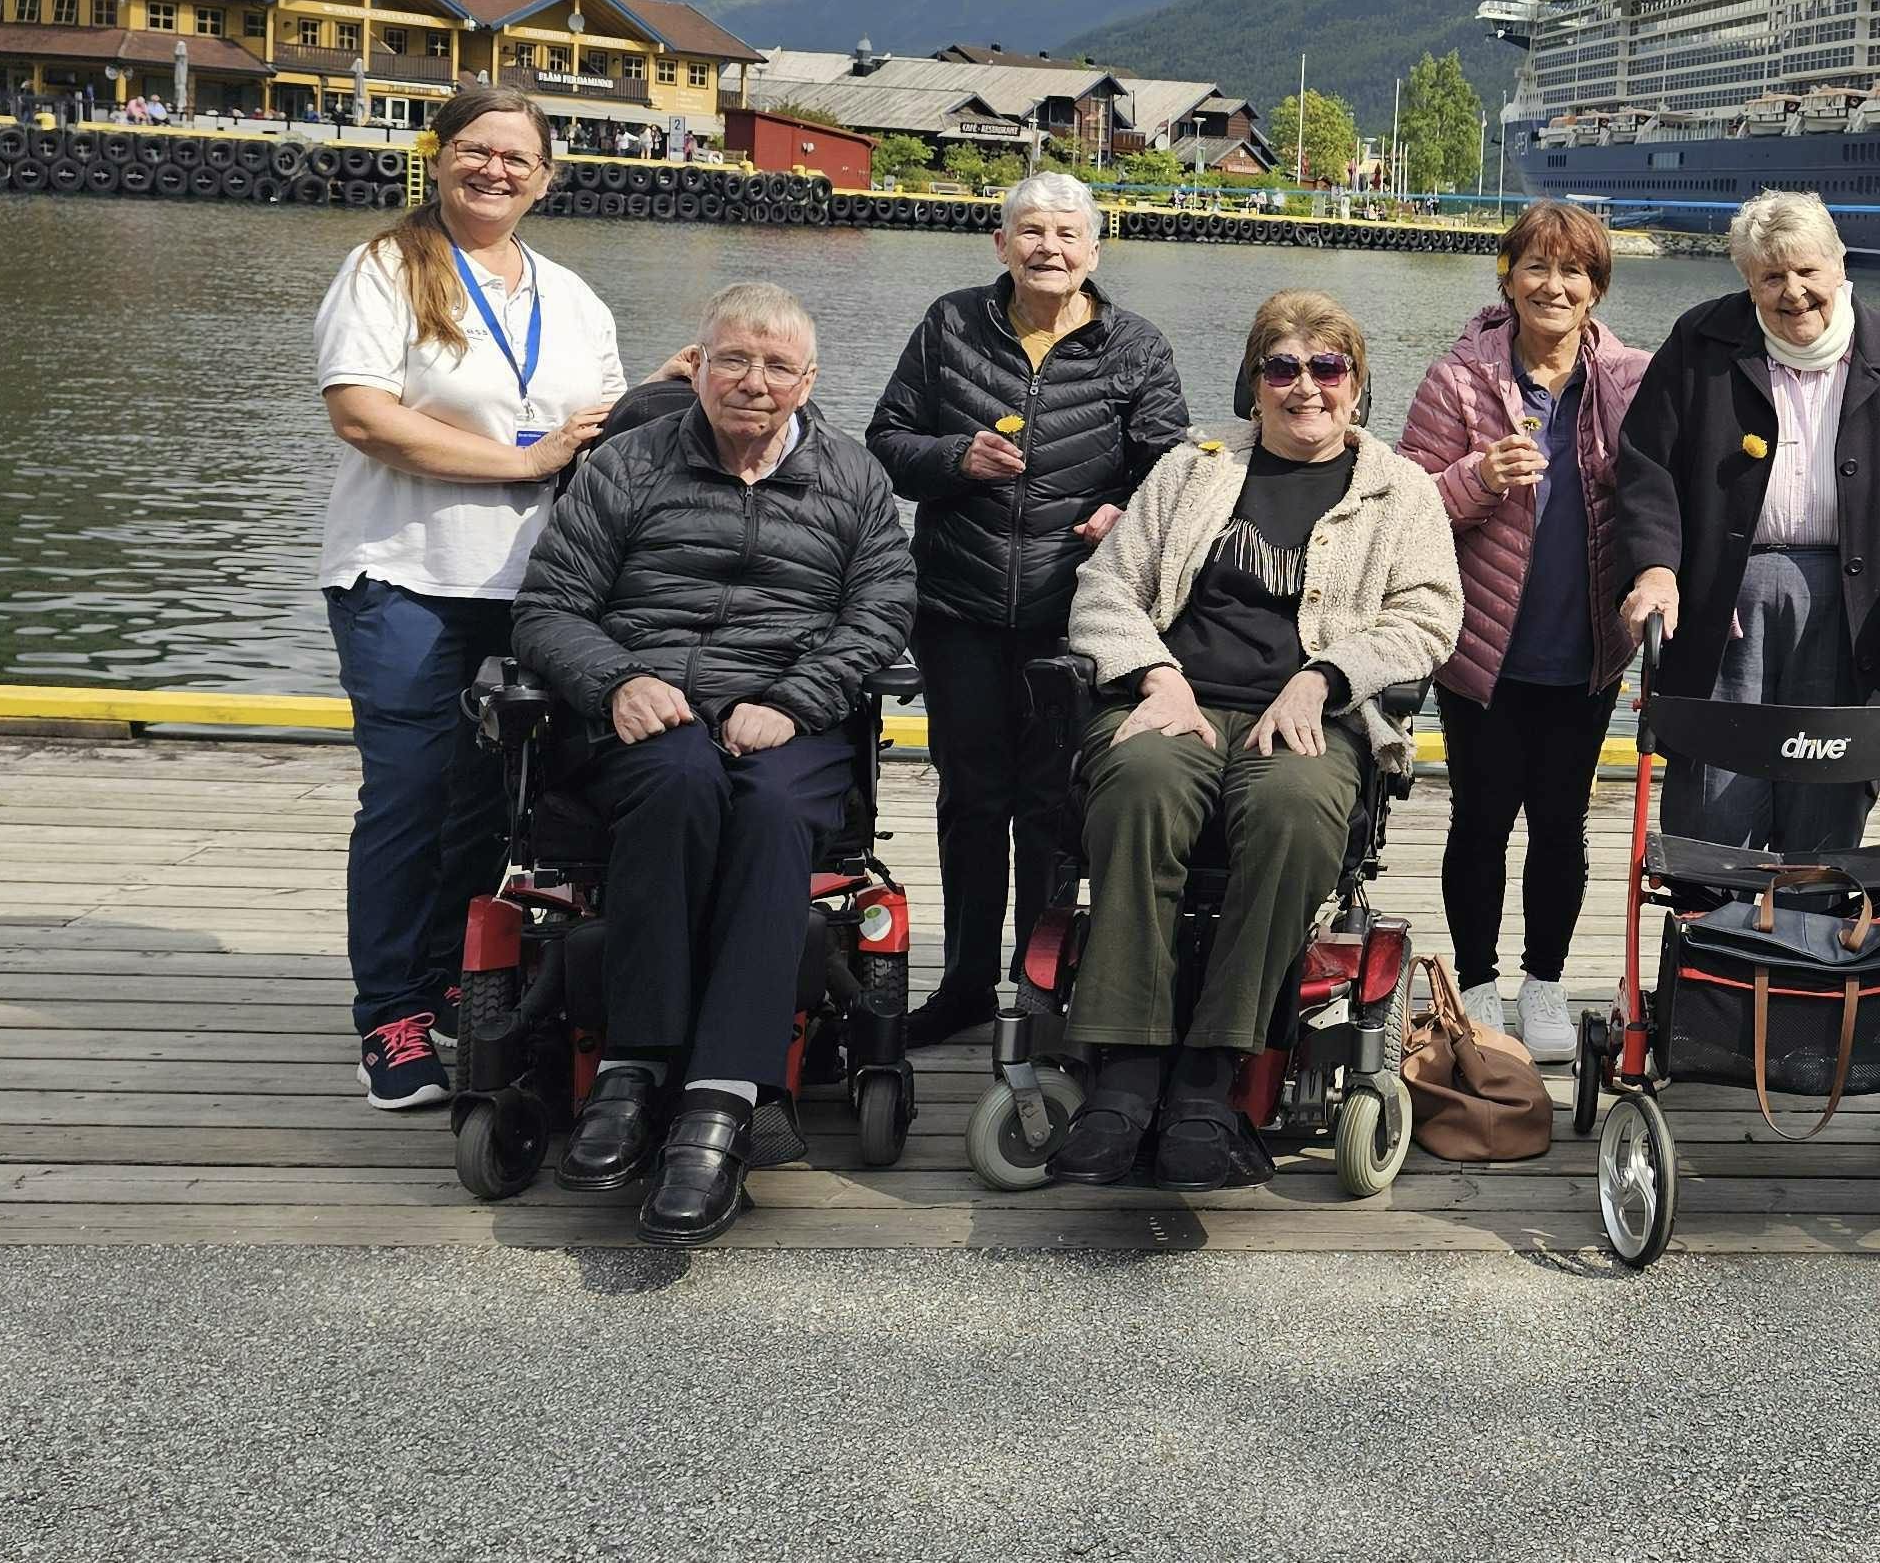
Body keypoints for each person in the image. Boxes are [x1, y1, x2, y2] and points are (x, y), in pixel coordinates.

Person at [512, 284, 916, 1247]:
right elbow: (545, 610)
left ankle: (725, 1097)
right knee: (682, 778)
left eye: (779, 367)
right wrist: (615, 681)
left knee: (775, 809)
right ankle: (636, 1064)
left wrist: (795, 702)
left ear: (809, 382)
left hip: (790, 720)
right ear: (697, 364)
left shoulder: (853, 482)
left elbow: (882, 616)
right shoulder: (626, 466)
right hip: (645, 715)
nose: (754, 382)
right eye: (734, 359)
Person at [1059, 291, 1459, 1188]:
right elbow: (1106, 589)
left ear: (1357, 386)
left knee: (1292, 811)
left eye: (1327, 369)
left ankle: (1211, 1079)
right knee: (1140, 784)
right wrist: (1154, 678)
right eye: (1282, 368)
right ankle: (1122, 1079)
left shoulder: (1403, 491)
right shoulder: (1190, 469)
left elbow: (1430, 619)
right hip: (1180, 701)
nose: (1305, 387)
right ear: (1253, 383)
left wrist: (1324, 677)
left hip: (1310, 717)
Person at [314, 85, 625, 1110]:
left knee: (495, 806)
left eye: (516, 158)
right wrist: (519, 459)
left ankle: (455, 976)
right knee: (406, 795)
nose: (494, 169)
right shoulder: (387, 267)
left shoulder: (573, 296)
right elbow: (363, 415)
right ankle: (390, 1013)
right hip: (404, 573)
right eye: (475, 150)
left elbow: (603, 430)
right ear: (438, 157)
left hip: (530, 589)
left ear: (546, 177)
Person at [863, 172, 1190, 1048]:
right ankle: (966, 981)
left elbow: (1172, 470)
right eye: (1031, 232)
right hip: (958, 604)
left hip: (1073, 607)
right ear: (1001, 245)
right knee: (970, 797)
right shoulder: (950, 324)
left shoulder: (1136, 346)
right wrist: (953, 459)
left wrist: (1122, 509)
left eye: (1066, 234)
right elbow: (886, 442)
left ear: (1095, 250)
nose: (1049, 248)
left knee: (1055, 800)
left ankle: (1038, 988)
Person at [1612, 190, 1880, 853]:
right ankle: (1716, 934)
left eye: (1808, 271)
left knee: (1827, 795)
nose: (1794, 292)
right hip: (1726, 599)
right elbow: (1645, 470)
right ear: (1748, 282)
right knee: (1719, 799)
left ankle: (1812, 937)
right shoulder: (1701, 341)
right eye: (1772, 276)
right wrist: (1657, 571)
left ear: (1840, 265)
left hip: (1852, 603)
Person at [1393, 199, 1649, 1056]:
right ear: (1507, 276)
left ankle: (1543, 983)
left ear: (1596, 287)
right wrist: (1476, 474)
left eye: (1573, 270)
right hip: (1483, 654)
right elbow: (1400, 512)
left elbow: (1664, 496)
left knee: (1562, 825)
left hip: (1587, 652)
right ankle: (1477, 982)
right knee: (1479, 820)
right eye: (1536, 266)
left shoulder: (1629, 379)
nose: (1554, 284)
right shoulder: (1456, 379)